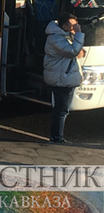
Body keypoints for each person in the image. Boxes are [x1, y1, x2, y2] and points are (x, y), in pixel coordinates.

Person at [43, 12, 85, 143]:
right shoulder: (55, 38)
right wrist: (78, 35)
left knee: (62, 109)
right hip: (61, 78)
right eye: (72, 25)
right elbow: (72, 51)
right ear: (64, 25)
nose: (74, 27)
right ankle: (56, 137)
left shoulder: (64, 36)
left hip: (64, 76)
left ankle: (57, 137)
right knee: (61, 110)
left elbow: (78, 52)